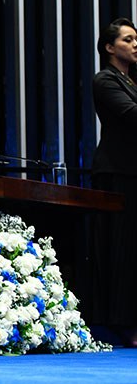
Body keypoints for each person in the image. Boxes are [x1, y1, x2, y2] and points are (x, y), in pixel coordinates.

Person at [90, 17, 137, 344]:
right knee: (124, 248)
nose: (135, 45)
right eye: (128, 39)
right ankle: (124, 323)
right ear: (109, 47)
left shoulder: (132, 82)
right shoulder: (105, 80)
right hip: (119, 172)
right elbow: (130, 115)